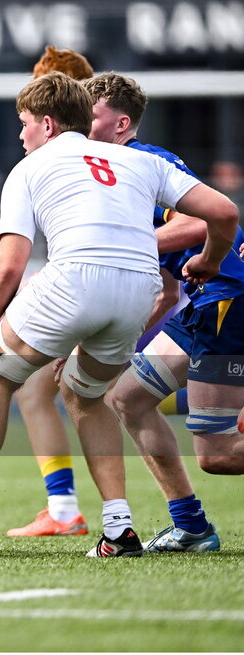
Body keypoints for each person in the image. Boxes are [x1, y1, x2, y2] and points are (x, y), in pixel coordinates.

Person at [0, 72, 238, 557]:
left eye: (23, 123)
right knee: (94, 394)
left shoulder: (31, 167)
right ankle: (122, 530)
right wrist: (206, 260)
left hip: (107, 281)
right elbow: (223, 212)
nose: (19, 134)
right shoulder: (138, 161)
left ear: (46, 123)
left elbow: (8, 267)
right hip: (140, 289)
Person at [95, 73, 244, 553]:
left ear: (121, 124)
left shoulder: (138, 161)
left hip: (228, 296)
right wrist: (108, 342)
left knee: (217, 455)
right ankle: (193, 528)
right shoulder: (116, 170)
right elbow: (163, 291)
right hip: (204, 300)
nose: (81, 124)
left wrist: (120, 243)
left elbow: (203, 221)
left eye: (90, 116)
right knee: (129, 398)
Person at [6, 45, 97, 539]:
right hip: (101, 285)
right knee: (36, 387)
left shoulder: (96, 153)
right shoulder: (97, 148)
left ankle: (86, 511)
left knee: (106, 398)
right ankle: (65, 509)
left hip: (124, 291)